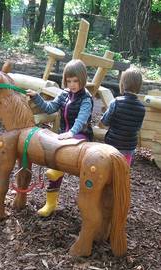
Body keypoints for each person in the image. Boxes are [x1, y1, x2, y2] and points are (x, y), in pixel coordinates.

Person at [26, 59, 93, 217]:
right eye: (69, 81)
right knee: (55, 153)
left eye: (76, 81)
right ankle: (50, 204)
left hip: (81, 135)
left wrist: (71, 133)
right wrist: (36, 97)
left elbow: (81, 119)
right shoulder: (64, 94)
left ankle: (57, 169)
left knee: (59, 155)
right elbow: (50, 108)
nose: (72, 84)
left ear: (82, 79)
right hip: (64, 135)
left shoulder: (86, 98)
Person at [100, 67, 146, 166]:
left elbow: (105, 122)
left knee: (109, 169)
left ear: (122, 83)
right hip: (129, 148)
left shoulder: (116, 102)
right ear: (139, 86)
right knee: (123, 171)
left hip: (113, 145)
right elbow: (137, 128)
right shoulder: (142, 108)